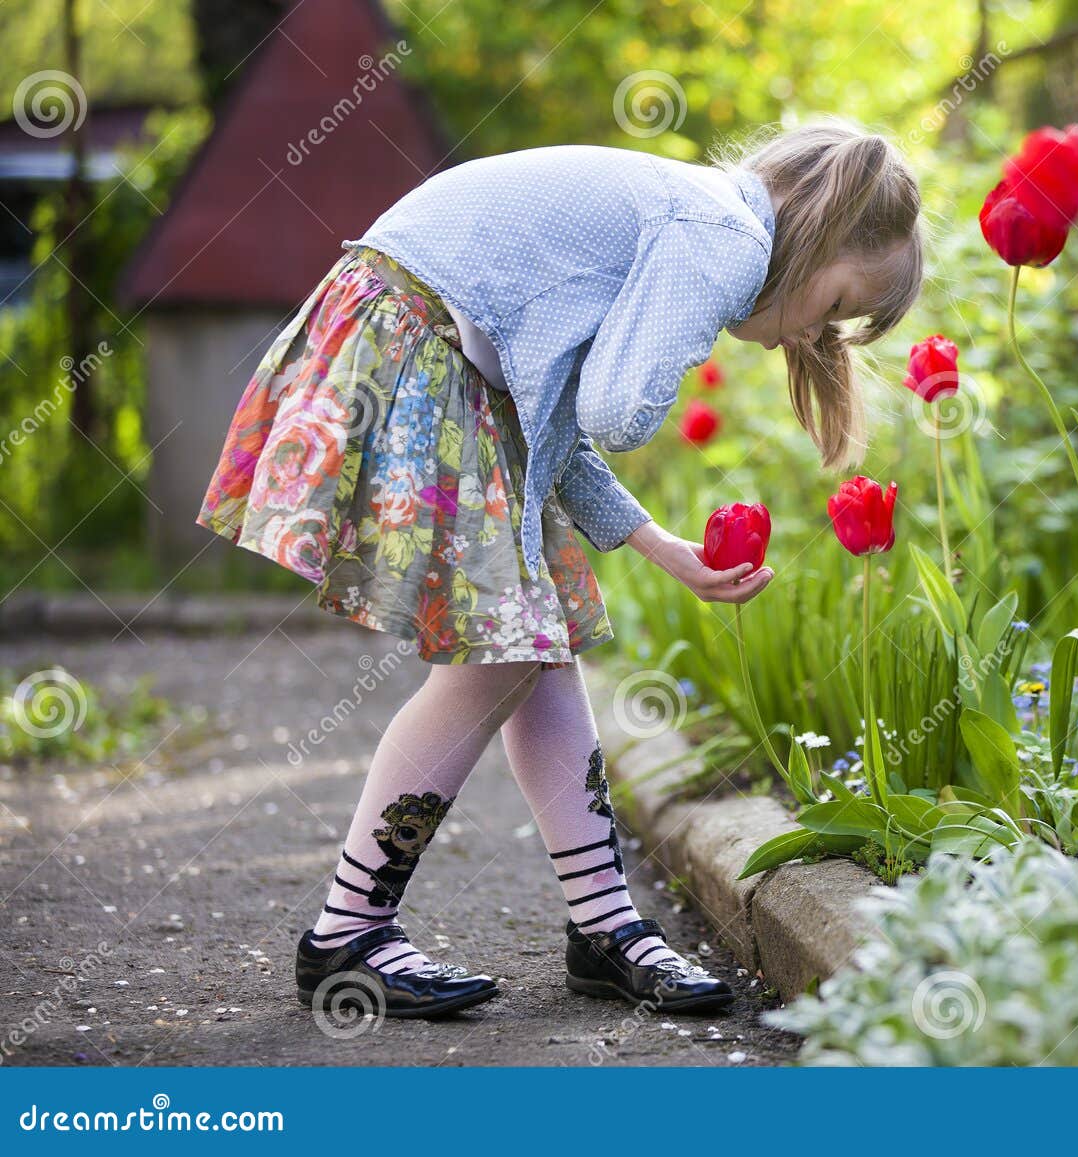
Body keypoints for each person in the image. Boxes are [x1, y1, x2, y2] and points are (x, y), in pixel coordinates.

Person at [196, 120, 924, 1018]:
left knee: (540, 646)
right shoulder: (728, 239)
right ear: (822, 233)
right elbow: (615, 411)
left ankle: (605, 924)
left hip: (420, 335)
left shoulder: (701, 217)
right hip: (416, 339)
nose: (812, 336)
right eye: (839, 304)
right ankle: (349, 930)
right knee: (499, 656)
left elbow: (559, 424)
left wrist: (657, 544)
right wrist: (679, 338)